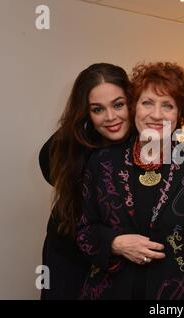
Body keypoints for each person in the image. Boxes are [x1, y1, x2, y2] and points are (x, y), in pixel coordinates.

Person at [76, 62, 184, 300]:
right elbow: (84, 231)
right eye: (147, 102)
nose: (156, 114)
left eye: (167, 105)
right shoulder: (102, 161)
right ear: (134, 107)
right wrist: (114, 243)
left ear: (180, 115)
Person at [39, 63, 132, 299]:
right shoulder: (68, 144)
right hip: (69, 255)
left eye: (118, 105)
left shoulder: (147, 141)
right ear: (86, 112)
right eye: (97, 109)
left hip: (121, 260)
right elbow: (50, 170)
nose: (111, 117)